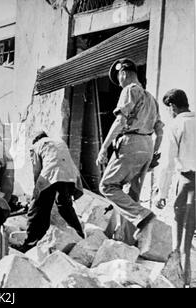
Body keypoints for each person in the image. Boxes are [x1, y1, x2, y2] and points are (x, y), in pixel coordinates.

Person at [97, 58, 164, 238]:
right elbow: (160, 130)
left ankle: (143, 214)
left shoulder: (130, 90)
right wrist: (154, 153)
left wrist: (104, 148)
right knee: (131, 195)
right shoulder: (151, 98)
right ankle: (127, 241)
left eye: (118, 78)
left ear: (124, 73)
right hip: (147, 145)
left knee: (107, 186)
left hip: (131, 142)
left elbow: (120, 121)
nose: (119, 83)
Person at [155, 89, 196, 287]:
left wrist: (162, 193)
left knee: (182, 241)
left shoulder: (176, 125)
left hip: (189, 184)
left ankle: (183, 283)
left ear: (172, 107)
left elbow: (168, 165)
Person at [20, 131, 85, 252]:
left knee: (37, 209)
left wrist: (36, 192)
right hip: (70, 175)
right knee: (65, 206)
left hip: (51, 173)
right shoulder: (58, 141)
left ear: (35, 140)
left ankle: (29, 243)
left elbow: (37, 170)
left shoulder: (36, 146)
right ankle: (80, 233)